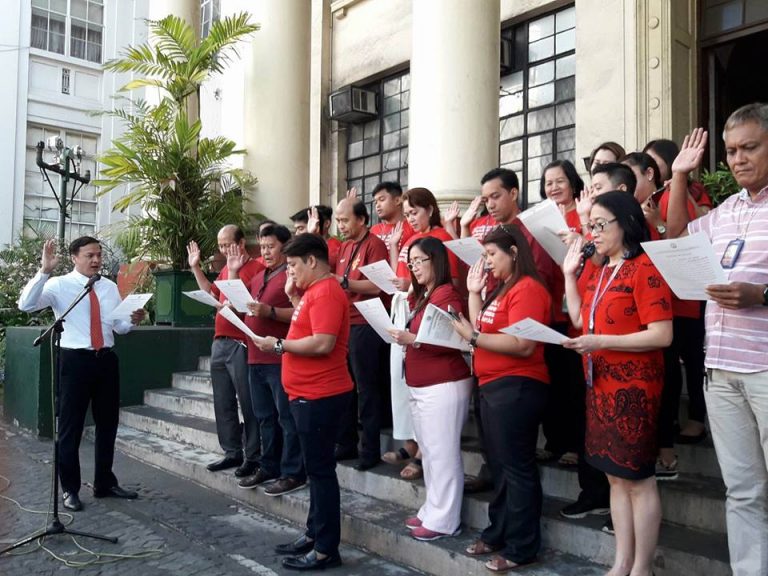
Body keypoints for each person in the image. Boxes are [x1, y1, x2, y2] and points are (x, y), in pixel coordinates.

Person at [666, 109, 768, 576]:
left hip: (764, 369)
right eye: (730, 151)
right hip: (721, 371)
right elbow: (676, 237)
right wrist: (679, 177)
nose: (739, 159)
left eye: (750, 147)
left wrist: (760, 295)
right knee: (743, 491)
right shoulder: (726, 211)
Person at [562, 191, 673, 576]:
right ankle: (622, 561)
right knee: (614, 476)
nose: (592, 233)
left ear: (625, 224)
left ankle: (642, 567)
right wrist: (569, 275)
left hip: (635, 390)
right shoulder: (600, 270)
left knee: (638, 479)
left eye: (599, 225)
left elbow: (662, 334)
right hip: (600, 386)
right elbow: (579, 318)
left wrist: (602, 341)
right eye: (589, 226)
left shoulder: (645, 267)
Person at [18, 237, 147, 511]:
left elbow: (119, 327)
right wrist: (44, 270)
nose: (96, 260)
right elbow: (26, 305)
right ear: (74, 257)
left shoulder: (109, 287)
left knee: (108, 425)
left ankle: (105, 482)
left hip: (106, 360)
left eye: (99, 255)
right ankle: (70, 489)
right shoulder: (59, 285)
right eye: (90, 255)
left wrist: (132, 320)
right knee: (70, 427)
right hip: (74, 361)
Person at [451, 226, 551, 572]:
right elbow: (480, 327)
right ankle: (498, 533)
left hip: (517, 387)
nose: (487, 262)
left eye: (492, 255)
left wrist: (474, 338)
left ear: (514, 252)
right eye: (485, 255)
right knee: (499, 466)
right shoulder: (502, 288)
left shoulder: (528, 289)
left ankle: (522, 547)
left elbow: (522, 344)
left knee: (516, 468)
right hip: (492, 385)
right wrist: (473, 293)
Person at [253, 233, 353, 571]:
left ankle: (326, 549)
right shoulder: (313, 292)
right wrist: (294, 297)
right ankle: (314, 533)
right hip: (306, 394)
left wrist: (278, 346)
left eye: (293, 265)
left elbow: (323, 342)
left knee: (321, 473)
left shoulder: (326, 291)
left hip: (320, 395)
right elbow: (309, 326)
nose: (290, 271)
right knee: (315, 470)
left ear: (312, 260)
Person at [388, 237, 472, 541]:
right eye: (410, 262)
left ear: (435, 260)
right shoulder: (425, 294)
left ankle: (445, 520)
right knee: (431, 452)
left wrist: (413, 340)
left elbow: (453, 339)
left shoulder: (447, 293)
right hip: (422, 383)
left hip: (443, 383)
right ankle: (432, 509)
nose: (414, 267)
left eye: (419, 261)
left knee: (442, 453)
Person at [187, 226, 263, 477]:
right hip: (220, 340)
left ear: (241, 243)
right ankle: (232, 451)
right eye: (220, 245)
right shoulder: (226, 268)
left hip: (241, 342)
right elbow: (212, 293)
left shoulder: (256, 269)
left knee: (248, 402)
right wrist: (195, 267)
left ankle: (253, 455)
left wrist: (233, 271)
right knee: (223, 401)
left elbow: (241, 305)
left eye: (227, 244)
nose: (223, 250)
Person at [236, 224, 306, 496]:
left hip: (280, 356)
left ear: (285, 246)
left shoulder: (293, 275)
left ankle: (293, 472)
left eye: (271, 247)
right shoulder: (258, 277)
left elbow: (301, 313)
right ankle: (269, 465)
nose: (265, 252)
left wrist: (270, 311)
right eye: (262, 247)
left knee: (286, 417)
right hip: (255, 356)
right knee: (264, 417)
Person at [333, 198, 390, 470]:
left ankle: (370, 450)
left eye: (345, 220)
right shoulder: (345, 246)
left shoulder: (374, 244)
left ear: (362, 220)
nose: (341, 225)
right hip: (346, 323)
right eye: (338, 220)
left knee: (366, 388)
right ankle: (346, 443)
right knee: (345, 387)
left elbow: (378, 286)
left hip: (367, 323)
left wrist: (344, 281)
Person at [390, 187, 461, 292]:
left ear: (430, 210)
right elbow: (399, 273)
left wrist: (411, 285)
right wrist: (393, 245)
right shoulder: (412, 238)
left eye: (414, 213)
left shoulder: (442, 238)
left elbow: (452, 281)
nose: (410, 220)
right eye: (407, 215)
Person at [370, 181, 415, 254]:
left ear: (397, 200)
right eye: (376, 202)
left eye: (382, 199)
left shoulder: (413, 226)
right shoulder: (373, 230)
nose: (377, 205)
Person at [540, 159, 585, 231]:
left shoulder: (586, 212)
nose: (554, 188)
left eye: (560, 181)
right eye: (549, 183)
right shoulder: (541, 218)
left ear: (573, 184)